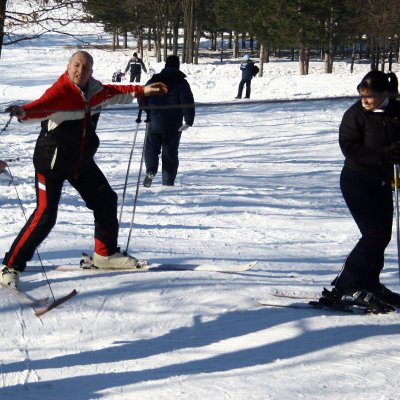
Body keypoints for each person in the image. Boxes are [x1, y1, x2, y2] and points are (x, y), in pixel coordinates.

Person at [0, 50, 167, 288]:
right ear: (68, 67)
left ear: (91, 71)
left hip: (80, 162)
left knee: (106, 200)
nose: (80, 71)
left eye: (86, 67)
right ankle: (11, 266)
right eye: (76, 65)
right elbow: (41, 106)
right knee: (46, 215)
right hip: (52, 163)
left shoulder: (96, 91)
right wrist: (24, 112)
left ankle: (105, 254)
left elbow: (115, 92)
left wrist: (143, 90)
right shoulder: (60, 92)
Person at [319, 70, 400, 313]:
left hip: (385, 181)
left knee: (383, 236)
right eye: (361, 95)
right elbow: (350, 148)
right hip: (358, 180)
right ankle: (347, 286)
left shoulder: (396, 111)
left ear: (384, 94)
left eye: (370, 96)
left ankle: (370, 283)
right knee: (373, 234)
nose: (364, 101)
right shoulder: (354, 115)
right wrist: (385, 154)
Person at [142, 55, 195, 187]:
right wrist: (189, 121)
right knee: (170, 152)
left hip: (154, 121)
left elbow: (143, 95)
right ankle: (168, 180)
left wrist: (148, 111)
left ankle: (150, 171)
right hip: (173, 124)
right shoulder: (181, 82)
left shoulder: (154, 79)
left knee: (151, 149)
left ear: (165, 65)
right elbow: (187, 102)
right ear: (178, 66)